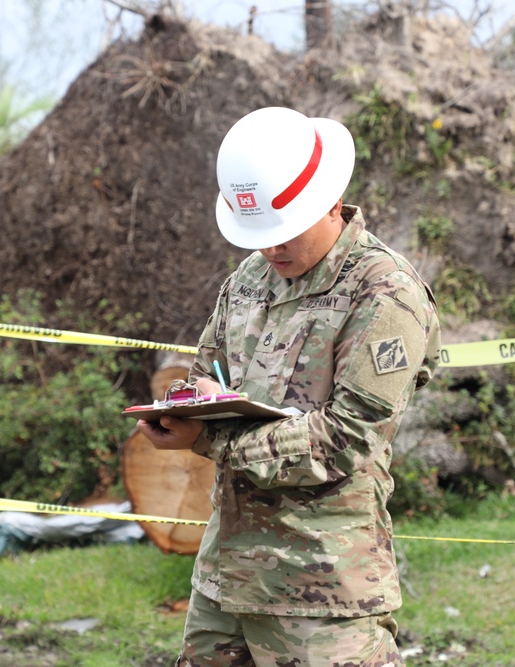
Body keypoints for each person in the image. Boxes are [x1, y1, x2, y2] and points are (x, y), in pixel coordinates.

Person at [137, 106, 441, 667]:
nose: (272, 249)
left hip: (322, 590)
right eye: (260, 235)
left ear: (331, 200)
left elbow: (344, 440)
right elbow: (208, 374)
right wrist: (182, 407)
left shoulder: (385, 294)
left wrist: (209, 440)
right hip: (226, 577)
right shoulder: (249, 279)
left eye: (284, 231)